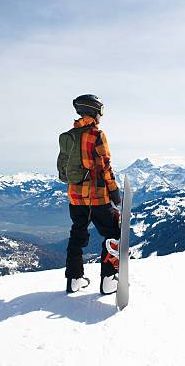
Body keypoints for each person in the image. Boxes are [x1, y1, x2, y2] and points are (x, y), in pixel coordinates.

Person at [64, 94, 122, 295]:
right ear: (95, 111)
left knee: (77, 234)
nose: (101, 116)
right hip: (97, 197)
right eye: (101, 112)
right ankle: (108, 279)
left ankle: (74, 279)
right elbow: (105, 166)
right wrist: (114, 190)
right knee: (113, 233)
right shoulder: (96, 135)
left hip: (75, 196)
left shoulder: (70, 136)